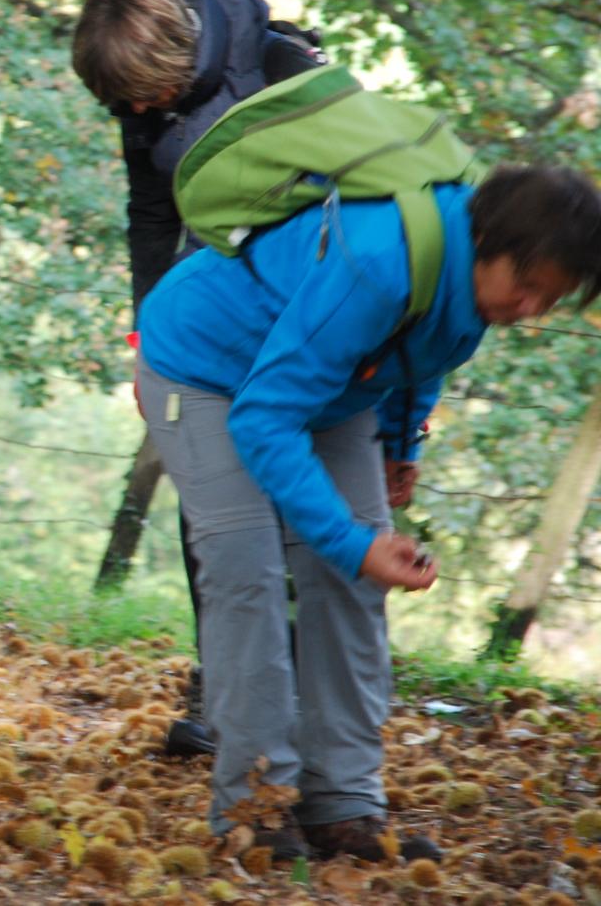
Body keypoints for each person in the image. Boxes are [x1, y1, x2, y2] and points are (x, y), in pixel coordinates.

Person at [137, 164, 601, 865]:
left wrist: (401, 440)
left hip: (326, 387)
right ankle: (255, 805)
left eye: (551, 298)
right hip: (205, 368)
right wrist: (351, 540)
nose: (532, 308)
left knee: (356, 578)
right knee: (248, 570)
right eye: (528, 285)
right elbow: (266, 418)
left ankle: (342, 800)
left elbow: (430, 344)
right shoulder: (381, 262)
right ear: (488, 242)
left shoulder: (471, 280)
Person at [73, 0, 326, 756]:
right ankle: (225, 694)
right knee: (211, 510)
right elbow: (150, 215)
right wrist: (150, 338)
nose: (136, 114)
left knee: (297, 513)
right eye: (123, 104)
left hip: (302, 317)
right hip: (205, 322)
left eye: (145, 96)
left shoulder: (286, 68)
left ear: (175, 57)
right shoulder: (136, 104)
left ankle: (308, 712)